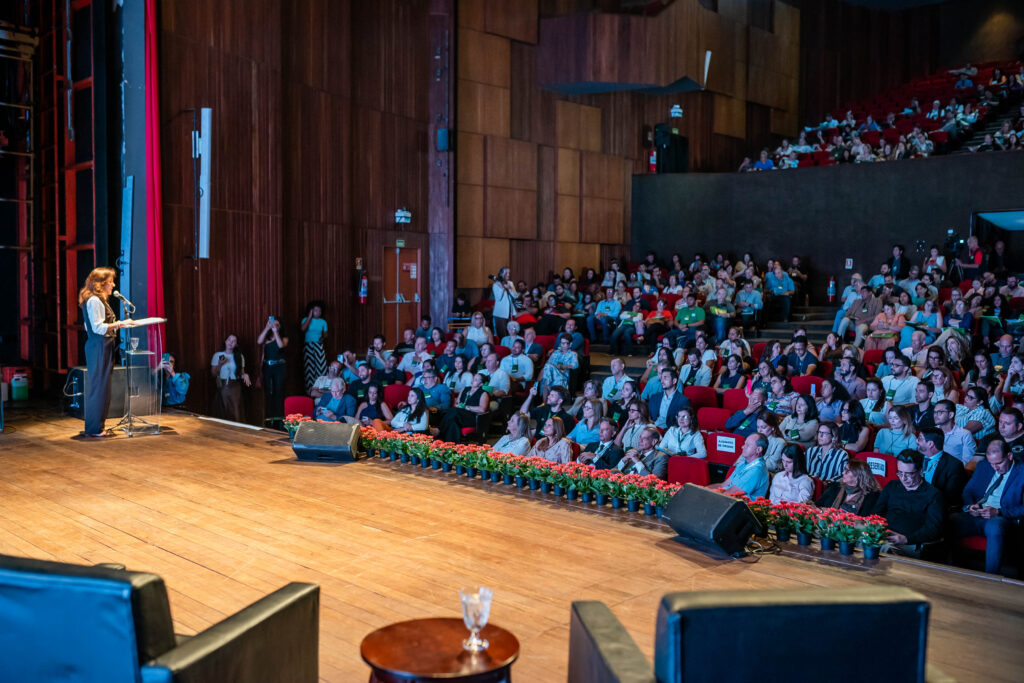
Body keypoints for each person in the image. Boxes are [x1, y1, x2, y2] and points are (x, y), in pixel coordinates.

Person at [951, 439, 1024, 574]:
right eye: (992, 463)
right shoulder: (984, 466)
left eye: (999, 463)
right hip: (979, 514)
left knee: (994, 525)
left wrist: (999, 512)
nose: (995, 468)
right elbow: (969, 491)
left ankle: (991, 576)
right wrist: (971, 506)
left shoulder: (1022, 471)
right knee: (951, 520)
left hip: (1004, 518)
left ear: (1009, 456)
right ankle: (953, 571)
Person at [78, 267, 133, 437]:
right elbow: (97, 327)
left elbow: (89, 326)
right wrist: (120, 324)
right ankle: (95, 428)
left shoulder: (97, 300)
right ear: (100, 284)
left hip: (101, 344)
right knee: (99, 387)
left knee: (101, 387)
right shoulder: (95, 300)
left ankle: (97, 426)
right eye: (110, 282)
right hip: (100, 345)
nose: (113, 285)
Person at [874, 450, 945, 552]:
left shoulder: (933, 495)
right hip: (884, 535)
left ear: (920, 471)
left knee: (881, 549)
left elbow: (933, 529)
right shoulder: (892, 486)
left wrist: (906, 539)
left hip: (909, 542)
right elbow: (877, 513)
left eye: (909, 474)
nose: (903, 478)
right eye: (900, 473)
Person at [916, 429, 967, 508]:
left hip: (937, 506)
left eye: (920, 439)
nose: (916, 441)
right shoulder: (916, 457)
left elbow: (952, 497)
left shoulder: (954, 466)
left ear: (930, 444)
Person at [438, 372, 491, 442]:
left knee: (453, 411)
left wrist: (466, 407)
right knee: (453, 423)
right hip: (458, 415)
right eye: (473, 378)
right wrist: (458, 405)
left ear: (481, 384)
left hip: (471, 417)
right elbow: (456, 403)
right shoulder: (464, 389)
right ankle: (451, 444)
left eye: (476, 380)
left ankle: (439, 429)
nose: (472, 381)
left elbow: (482, 409)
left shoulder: (483, 393)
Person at [257, 314, 289, 429]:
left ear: (280, 326)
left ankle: (279, 421)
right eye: (273, 324)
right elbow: (259, 341)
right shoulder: (267, 338)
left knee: (279, 393)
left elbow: (281, 345)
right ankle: (269, 420)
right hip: (268, 367)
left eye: (277, 324)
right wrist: (267, 328)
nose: (274, 326)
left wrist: (275, 332)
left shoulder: (284, 337)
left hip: (279, 367)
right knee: (269, 393)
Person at [714, 434, 770, 498]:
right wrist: (705, 489)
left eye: (747, 445)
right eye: (744, 444)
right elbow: (723, 485)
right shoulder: (743, 463)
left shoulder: (757, 470)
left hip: (736, 502)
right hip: (726, 498)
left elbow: (730, 494)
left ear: (758, 450)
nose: (742, 447)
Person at [211, 333, 251, 422]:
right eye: (229, 340)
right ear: (225, 341)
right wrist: (220, 364)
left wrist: (245, 375)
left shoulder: (239, 356)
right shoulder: (217, 355)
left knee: (235, 411)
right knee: (223, 410)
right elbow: (213, 374)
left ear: (236, 344)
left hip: (234, 386)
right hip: (223, 385)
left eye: (234, 341)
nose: (231, 342)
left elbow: (241, 373)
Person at [816, 460, 881, 514]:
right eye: (844, 470)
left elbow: (870, 519)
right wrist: (822, 511)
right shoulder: (835, 487)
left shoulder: (872, 496)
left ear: (858, 476)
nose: (843, 473)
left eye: (847, 471)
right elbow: (818, 505)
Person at [299, 301, 328, 391]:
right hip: (308, 345)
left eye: (319, 310)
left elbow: (325, 334)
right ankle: (310, 391)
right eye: (315, 310)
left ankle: (322, 389)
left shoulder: (323, 322)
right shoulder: (305, 319)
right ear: (311, 310)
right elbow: (303, 329)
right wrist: (309, 317)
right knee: (309, 368)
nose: (318, 312)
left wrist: (322, 339)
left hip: (318, 345)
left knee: (322, 367)